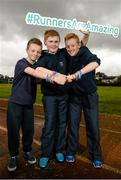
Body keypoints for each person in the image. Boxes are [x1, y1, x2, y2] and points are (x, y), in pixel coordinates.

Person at [6, 37, 67, 172]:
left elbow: (40, 69)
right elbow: (35, 73)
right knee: (14, 131)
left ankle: (27, 151)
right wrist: (54, 77)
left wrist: (59, 76)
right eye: (33, 50)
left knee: (29, 130)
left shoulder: (37, 64)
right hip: (15, 104)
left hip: (28, 104)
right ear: (27, 50)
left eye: (38, 52)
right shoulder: (21, 63)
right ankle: (13, 156)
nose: (35, 54)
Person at [33, 29, 90, 169]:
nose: (53, 44)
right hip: (50, 97)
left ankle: (59, 150)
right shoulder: (43, 56)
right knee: (50, 123)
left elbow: (80, 45)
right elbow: (37, 70)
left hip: (64, 96)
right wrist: (52, 76)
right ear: (45, 42)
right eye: (50, 42)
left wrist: (86, 35)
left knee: (62, 124)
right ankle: (46, 154)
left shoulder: (63, 52)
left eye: (56, 41)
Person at [65, 33, 102, 168]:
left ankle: (96, 156)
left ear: (79, 45)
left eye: (73, 46)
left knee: (93, 125)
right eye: (68, 46)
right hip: (74, 96)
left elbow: (96, 63)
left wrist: (77, 74)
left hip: (90, 96)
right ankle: (70, 151)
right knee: (73, 125)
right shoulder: (66, 54)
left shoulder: (84, 52)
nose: (70, 49)